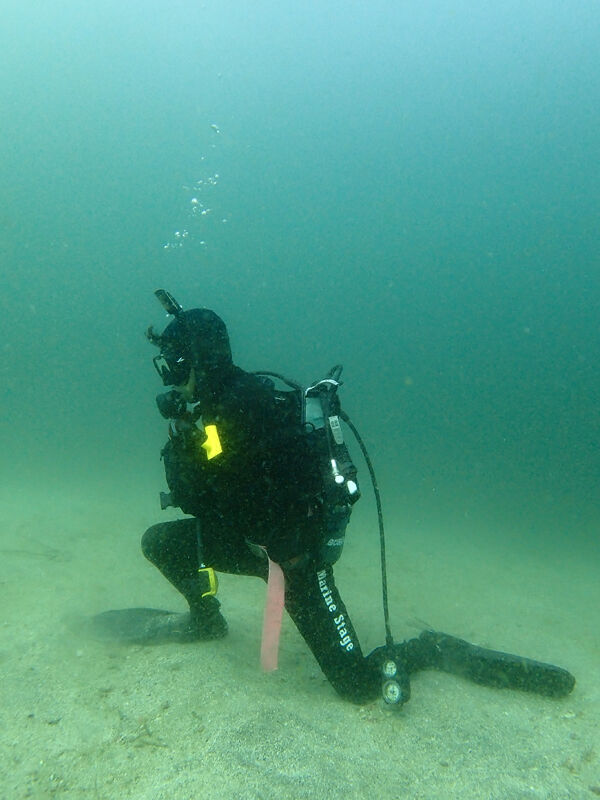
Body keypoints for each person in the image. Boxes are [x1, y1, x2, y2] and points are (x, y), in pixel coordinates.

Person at [137, 289, 575, 706]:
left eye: (173, 366)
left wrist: (182, 449)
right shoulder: (219, 407)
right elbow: (220, 493)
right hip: (254, 543)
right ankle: (206, 620)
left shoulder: (239, 407)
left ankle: (430, 649)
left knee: (357, 685)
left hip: (296, 562)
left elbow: (211, 497)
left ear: (200, 360)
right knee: (160, 543)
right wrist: (188, 441)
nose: (169, 378)